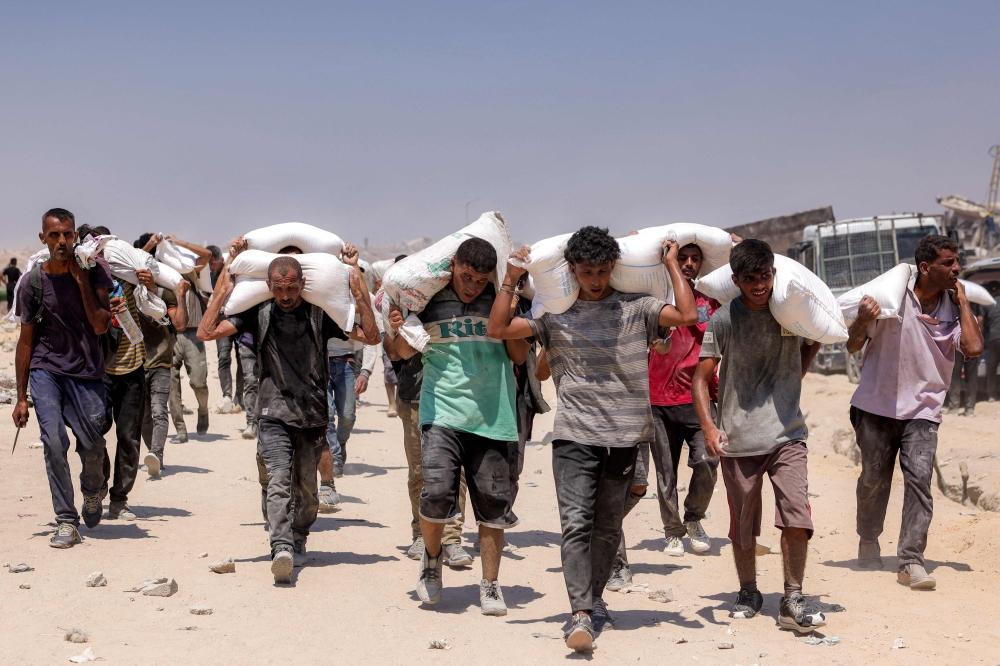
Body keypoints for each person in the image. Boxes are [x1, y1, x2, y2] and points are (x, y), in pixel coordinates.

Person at [487, 226, 698, 651]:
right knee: (576, 525)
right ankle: (580, 614)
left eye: (602, 271)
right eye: (587, 272)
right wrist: (510, 277)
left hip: (625, 437)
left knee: (607, 528)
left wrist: (672, 263)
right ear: (572, 269)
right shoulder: (555, 314)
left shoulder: (638, 308)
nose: (596, 280)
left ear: (614, 267)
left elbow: (687, 316)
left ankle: (594, 600)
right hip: (574, 437)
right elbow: (498, 329)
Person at [197, 239, 379, 584]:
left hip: (311, 412)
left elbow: (371, 337)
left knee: (307, 494)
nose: (284, 296)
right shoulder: (258, 313)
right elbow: (206, 332)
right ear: (268, 285)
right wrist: (221, 292)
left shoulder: (319, 313)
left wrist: (360, 295)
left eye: (291, 288)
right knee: (279, 481)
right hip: (273, 410)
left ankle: (298, 536)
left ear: (303, 284)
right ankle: (280, 546)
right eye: (278, 289)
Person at [389, 239, 528, 616]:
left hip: (493, 417)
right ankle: (432, 561)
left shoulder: (500, 299)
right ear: (452, 265)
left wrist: (510, 316)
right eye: (467, 276)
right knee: (435, 493)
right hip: (441, 413)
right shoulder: (427, 300)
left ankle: (490, 584)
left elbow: (518, 357)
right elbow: (403, 352)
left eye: (481, 280)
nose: (472, 287)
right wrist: (398, 329)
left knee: (493, 507)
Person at [691, 238, 823, 633]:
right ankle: (748, 591)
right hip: (739, 439)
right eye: (750, 279)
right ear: (736, 280)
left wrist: (812, 347)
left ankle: (793, 596)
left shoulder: (790, 313)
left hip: (788, 434)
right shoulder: (725, 319)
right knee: (744, 524)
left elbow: (796, 368)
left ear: (774, 273)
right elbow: (700, 379)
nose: (759, 285)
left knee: (797, 514)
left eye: (764, 276)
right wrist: (709, 427)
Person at [846, 235, 983, 591]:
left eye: (957, 261)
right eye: (948, 263)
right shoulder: (892, 295)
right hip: (875, 406)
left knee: (920, 482)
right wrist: (862, 320)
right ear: (925, 267)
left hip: (923, 410)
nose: (957, 268)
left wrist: (964, 301)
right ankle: (868, 539)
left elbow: (973, 347)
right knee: (873, 479)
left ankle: (910, 560)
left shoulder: (954, 308)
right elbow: (853, 345)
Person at [608, 241, 725, 592]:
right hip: (657, 399)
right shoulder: (654, 300)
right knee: (665, 473)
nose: (688, 263)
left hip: (699, 398)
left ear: (701, 264)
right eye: (682, 258)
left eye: (694, 259)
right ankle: (673, 531)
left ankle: (694, 518)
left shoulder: (709, 302)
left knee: (708, 461)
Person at [12, 209, 113, 548]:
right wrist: (21, 397)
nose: (61, 241)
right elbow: (26, 342)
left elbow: (100, 325)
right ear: (43, 238)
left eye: (67, 235)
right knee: (53, 441)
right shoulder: (33, 283)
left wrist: (80, 279)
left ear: (75, 237)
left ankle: (93, 490)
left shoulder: (95, 271)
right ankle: (67, 520)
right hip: (46, 370)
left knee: (93, 446)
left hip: (87, 371)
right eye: (54, 235)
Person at [383, 328, 471, 567]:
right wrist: (394, 326)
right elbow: (393, 353)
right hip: (415, 397)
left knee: (457, 472)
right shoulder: (406, 308)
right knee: (419, 471)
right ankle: (421, 534)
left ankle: (451, 539)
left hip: (455, 397)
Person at [96, 227, 147, 522]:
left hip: (133, 369)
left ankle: (119, 499)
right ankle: (99, 484)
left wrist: (148, 285)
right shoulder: (88, 284)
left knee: (128, 438)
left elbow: (154, 307)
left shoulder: (132, 280)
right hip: (99, 372)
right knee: (94, 433)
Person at [141, 233, 213, 440]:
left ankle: (203, 410)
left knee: (199, 382)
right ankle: (180, 429)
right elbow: (135, 263)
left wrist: (178, 242)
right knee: (171, 386)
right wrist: (151, 244)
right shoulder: (159, 274)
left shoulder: (190, 271)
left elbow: (206, 255)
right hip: (169, 334)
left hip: (193, 333)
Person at [317, 291, 382, 512]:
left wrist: (365, 371)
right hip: (322, 363)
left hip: (347, 364)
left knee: (347, 415)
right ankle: (335, 457)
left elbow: (372, 336)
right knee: (327, 415)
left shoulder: (362, 299)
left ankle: (340, 443)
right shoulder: (320, 293)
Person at [133, 236, 189, 477]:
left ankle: (156, 453)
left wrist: (181, 295)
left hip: (161, 362)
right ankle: (153, 454)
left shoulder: (165, 295)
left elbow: (181, 324)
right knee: (144, 415)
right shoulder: (129, 293)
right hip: (134, 363)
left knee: (158, 411)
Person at [944, 302, 983, 416]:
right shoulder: (975, 302)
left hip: (957, 341)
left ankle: (954, 407)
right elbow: (980, 319)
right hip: (972, 341)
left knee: (955, 375)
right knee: (971, 376)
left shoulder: (953, 301)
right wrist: (979, 337)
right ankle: (970, 408)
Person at [982, 281, 1000, 401]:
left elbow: (982, 322)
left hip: (993, 338)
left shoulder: (986, 304)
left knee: (992, 367)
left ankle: (992, 395)